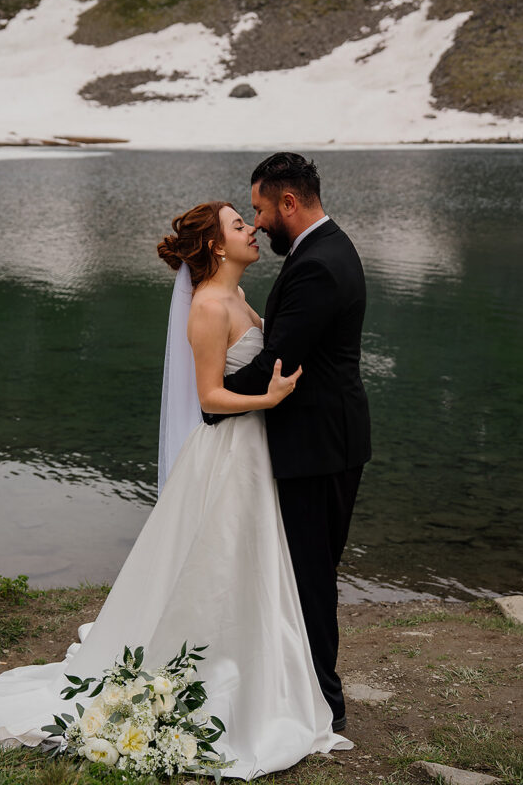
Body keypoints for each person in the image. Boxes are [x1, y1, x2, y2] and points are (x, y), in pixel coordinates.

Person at [0, 199, 352, 779]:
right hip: (228, 453)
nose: (252, 229)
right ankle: (225, 676)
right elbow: (209, 398)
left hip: (254, 453)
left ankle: (263, 672)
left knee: (254, 565)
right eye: (239, 225)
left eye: (249, 219)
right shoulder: (207, 306)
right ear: (217, 246)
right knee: (220, 562)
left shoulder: (241, 297)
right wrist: (267, 399)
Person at [203, 153, 371, 732]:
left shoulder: (318, 264)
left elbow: (280, 358)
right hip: (325, 441)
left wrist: (216, 401)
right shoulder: (325, 250)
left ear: (289, 203)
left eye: (261, 209)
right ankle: (302, 686)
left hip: (318, 446)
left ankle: (325, 704)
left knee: (311, 574)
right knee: (306, 570)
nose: (259, 222)